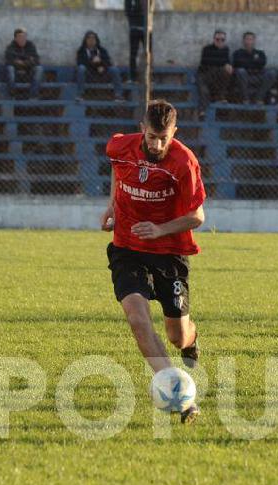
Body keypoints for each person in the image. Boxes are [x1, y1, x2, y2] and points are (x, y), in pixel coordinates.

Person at [100, 99, 207, 424]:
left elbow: (197, 216)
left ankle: (192, 340)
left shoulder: (184, 162)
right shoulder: (119, 147)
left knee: (177, 335)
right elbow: (118, 171)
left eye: (164, 138)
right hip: (128, 248)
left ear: (174, 132)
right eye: (152, 137)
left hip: (170, 253)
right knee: (137, 318)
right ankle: (179, 394)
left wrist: (160, 229)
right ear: (143, 128)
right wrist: (113, 206)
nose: (157, 145)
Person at [75, 30, 124, 102]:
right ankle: (80, 95)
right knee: (81, 68)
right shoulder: (81, 51)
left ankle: (118, 95)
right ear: (85, 40)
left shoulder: (102, 50)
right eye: (89, 38)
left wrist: (101, 63)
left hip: (102, 75)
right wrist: (92, 61)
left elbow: (108, 63)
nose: (91, 40)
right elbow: (79, 63)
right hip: (89, 76)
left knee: (114, 69)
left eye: (93, 38)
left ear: (96, 40)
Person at [232, 32, 277, 105]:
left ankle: (259, 98)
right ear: (243, 41)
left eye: (251, 39)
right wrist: (254, 62)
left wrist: (247, 63)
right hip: (245, 78)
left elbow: (262, 63)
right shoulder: (238, 53)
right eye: (247, 39)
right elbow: (237, 63)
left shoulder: (260, 53)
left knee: (272, 73)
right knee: (241, 71)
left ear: (254, 41)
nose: (249, 41)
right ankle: (245, 99)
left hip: (258, 77)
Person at [197, 30, 233, 118]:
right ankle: (202, 112)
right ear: (214, 39)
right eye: (218, 39)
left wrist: (225, 65)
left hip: (217, 78)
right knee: (204, 90)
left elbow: (226, 62)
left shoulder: (225, 50)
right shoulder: (207, 49)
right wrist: (222, 63)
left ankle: (220, 98)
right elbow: (206, 62)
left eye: (222, 40)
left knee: (226, 70)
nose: (220, 41)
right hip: (205, 75)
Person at [3, 28, 44, 100]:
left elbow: (36, 60)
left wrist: (21, 62)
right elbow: (9, 61)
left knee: (39, 69)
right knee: (9, 68)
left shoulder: (30, 45)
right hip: (16, 74)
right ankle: (12, 95)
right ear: (15, 38)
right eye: (20, 37)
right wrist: (28, 60)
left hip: (29, 73)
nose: (22, 39)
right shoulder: (10, 47)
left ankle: (33, 96)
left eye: (24, 37)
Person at [124, 0, 149, 84]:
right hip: (134, 28)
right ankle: (133, 77)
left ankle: (149, 77)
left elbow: (150, 9)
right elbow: (127, 10)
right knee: (133, 54)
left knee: (148, 53)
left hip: (146, 29)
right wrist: (133, 23)